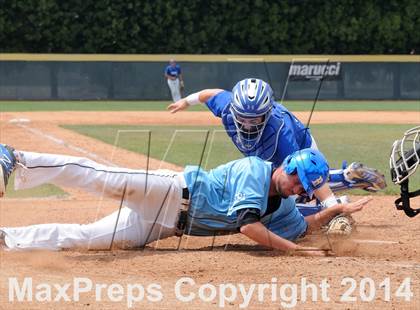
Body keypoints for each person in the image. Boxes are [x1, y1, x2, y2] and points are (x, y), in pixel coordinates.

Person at [0, 144, 371, 255]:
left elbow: (299, 227)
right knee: (101, 178)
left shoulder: (285, 206)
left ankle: (8, 238)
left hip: (165, 226)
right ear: (288, 165)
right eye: (297, 180)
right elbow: (247, 226)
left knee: (87, 240)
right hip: (171, 191)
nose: (296, 189)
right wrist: (296, 253)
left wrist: (333, 210)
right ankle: (16, 157)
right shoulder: (254, 170)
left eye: (303, 188)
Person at [167, 78, 386, 212]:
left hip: (302, 150)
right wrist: (185, 101)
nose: (248, 125)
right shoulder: (227, 106)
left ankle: (336, 199)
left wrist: (331, 206)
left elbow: (308, 173)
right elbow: (210, 94)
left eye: (255, 119)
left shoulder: (281, 135)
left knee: (285, 193)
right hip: (269, 153)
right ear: (234, 109)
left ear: (267, 114)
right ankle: (348, 177)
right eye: (242, 118)